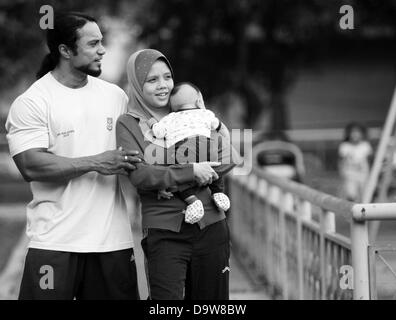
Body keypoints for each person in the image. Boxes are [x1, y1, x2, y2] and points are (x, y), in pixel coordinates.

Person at [5, 12, 142, 300]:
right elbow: (31, 165)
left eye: (102, 42)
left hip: (112, 242)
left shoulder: (115, 96)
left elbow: (137, 154)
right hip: (55, 242)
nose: (102, 50)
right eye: (93, 44)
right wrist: (95, 162)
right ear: (65, 51)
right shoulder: (33, 101)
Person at [116, 49, 238, 300]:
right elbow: (140, 176)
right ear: (137, 85)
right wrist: (192, 170)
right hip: (165, 232)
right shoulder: (129, 124)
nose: (163, 86)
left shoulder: (192, 115)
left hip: (212, 226)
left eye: (167, 77)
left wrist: (166, 177)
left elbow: (230, 159)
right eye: (152, 80)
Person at [148, 82, 233, 224]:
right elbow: (222, 129)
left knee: (181, 178)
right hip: (206, 147)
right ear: (199, 101)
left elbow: (157, 132)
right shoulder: (206, 113)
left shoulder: (170, 118)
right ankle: (218, 192)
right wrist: (226, 142)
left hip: (182, 151)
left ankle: (193, 202)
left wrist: (151, 122)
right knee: (213, 167)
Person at [338, 122, 373, 202]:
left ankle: (365, 213)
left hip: (363, 175)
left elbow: (369, 161)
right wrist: (341, 173)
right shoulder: (344, 146)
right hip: (350, 175)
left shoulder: (365, 146)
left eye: (357, 132)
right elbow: (341, 161)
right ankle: (352, 212)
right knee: (351, 195)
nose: (355, 135)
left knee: (365, 196)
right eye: (353, 132)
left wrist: (371, 174)